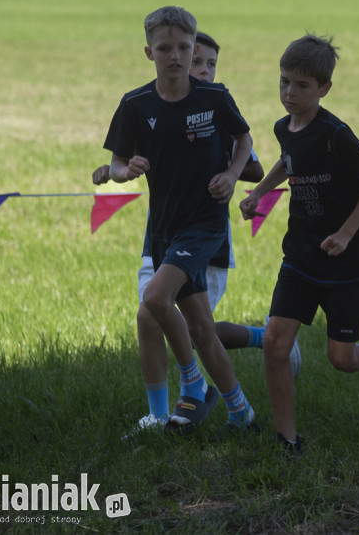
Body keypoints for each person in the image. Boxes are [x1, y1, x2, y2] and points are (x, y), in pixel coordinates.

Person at [95, 30, 301, 437]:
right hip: (164, 231)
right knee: (192, 326)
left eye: (208, 63)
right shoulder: (149, 103)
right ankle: (238, 408)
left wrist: (225, 170)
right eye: (197, 62)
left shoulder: (215, 105)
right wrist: (117, 170)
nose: (200, 69)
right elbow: (126, 158)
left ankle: (190, 390)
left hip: (205, 232)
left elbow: (254, 165)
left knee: (156, 305)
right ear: (157, 56)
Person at [240, 34, 359, 455]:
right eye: (284, 82)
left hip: (345, 262)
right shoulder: (283, 127)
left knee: (342, 359)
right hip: (301, 254)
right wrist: (260, 193)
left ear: (324, 88)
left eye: (302, 86)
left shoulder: (335, 134)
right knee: (275, 342)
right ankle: (286, 439)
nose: (290, 93)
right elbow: (287, 160)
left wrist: (346, 233)